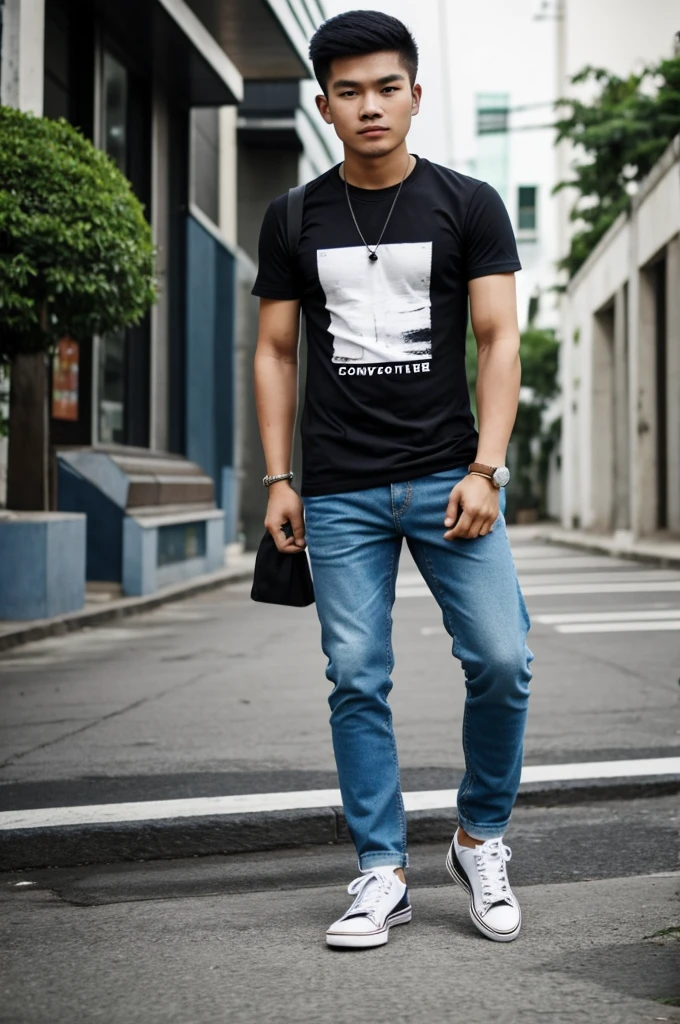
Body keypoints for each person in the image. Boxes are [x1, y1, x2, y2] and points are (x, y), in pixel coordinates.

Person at [252, 9, 533, 950]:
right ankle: (381, 871)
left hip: (453, 479)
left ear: (415, 93)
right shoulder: (294, 216)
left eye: (386, 86)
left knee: (501, 661)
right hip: (336, 490)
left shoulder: (468, 203)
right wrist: (277, 479)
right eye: (349, 91)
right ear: (324, 105)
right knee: (357, 678)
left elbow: (499, 341)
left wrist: (488, 466)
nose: (369, 105)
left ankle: (479, 837)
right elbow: (274, 352)